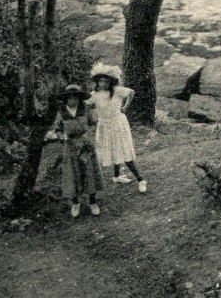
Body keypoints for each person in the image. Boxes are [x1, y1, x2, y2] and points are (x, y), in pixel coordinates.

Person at [89, 62, 149, 193]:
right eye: (100, 81)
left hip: (118, 123)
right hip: (104, 125)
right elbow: (86, 104)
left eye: (106, 81)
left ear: (110, 82)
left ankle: (141, 179)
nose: (103, 84)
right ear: (97, 83)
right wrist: (92, 117)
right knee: (113, 149)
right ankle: (116, 176)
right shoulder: (94, 94)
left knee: (123, 150)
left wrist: (125, 107)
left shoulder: (116, 91)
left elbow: (131, 92)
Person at [50, 84, 102, 217]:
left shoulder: (85, 109)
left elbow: (93, 123)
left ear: (80, 99)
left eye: (76, 98)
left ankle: (92, 201)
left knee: (89, 170)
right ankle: (75, 203)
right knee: (72, 172)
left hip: (84, 144)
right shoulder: (61, 112)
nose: (73, 101)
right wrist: (63, 137)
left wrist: (89, 137)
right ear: (66, 99)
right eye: (71, 98)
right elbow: (58, 129)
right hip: (70, 146)